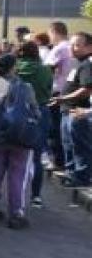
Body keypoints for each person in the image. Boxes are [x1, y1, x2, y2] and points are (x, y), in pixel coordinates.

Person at [0, 55, 39, 229]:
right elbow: (35, 111)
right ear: (13, 67)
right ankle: (16, 213)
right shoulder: (25, 87)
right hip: (20, 137)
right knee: (18, 176)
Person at [49, 32, 92, 187]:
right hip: (67, 110)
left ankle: (81, 177)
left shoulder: (87, 64)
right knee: (67, 144)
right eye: (72, 44)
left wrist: (63, 99)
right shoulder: (77, 63)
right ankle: (71, 173)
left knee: (79, 145)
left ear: (89, 47)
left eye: (77, 45)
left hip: (78, 112)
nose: (72, 48)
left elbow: (86, 89)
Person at [15, 42, 53, 208]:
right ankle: (36, 196)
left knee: (15, 154)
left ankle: (15, 194)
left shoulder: (15, 69)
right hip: (41, 112)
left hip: (18, 113)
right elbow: (49, 89)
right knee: (36, 156)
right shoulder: (45, 70)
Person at [45, 21, 77, 170]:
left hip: (59, 92)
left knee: (55, 129)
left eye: (50, 34)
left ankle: (58, 161)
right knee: (70, 130)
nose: (49, 38)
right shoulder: (73, 47)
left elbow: (47, 70)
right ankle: (69, 162)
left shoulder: (59, 48)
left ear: (54, 32)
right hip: (74, 91)